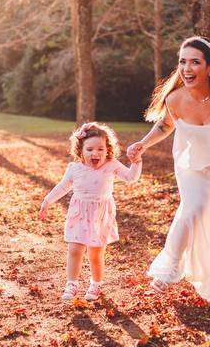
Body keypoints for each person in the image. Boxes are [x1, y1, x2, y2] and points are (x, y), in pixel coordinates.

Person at [126, 35, 210, 303]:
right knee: (193, 208)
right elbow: (165, 125)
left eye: (195, 62)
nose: (186, 69)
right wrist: (142, 144)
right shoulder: (175, 99)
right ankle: (167, 270)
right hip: (192, 167)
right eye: (182, 62)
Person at [40, 122, 142, 301]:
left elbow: (131, 177)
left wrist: (136, 162)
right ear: (81, 151)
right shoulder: (75, 168)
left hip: (100, 215)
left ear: (107, 150)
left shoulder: (111, 165)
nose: (95, 153)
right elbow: (63, 186)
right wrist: (47, 201)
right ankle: (72, 283)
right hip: (79, 213)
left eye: (100, 149)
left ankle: (96, 285)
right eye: (90, 149)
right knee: (74, 249)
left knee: (95, 253)